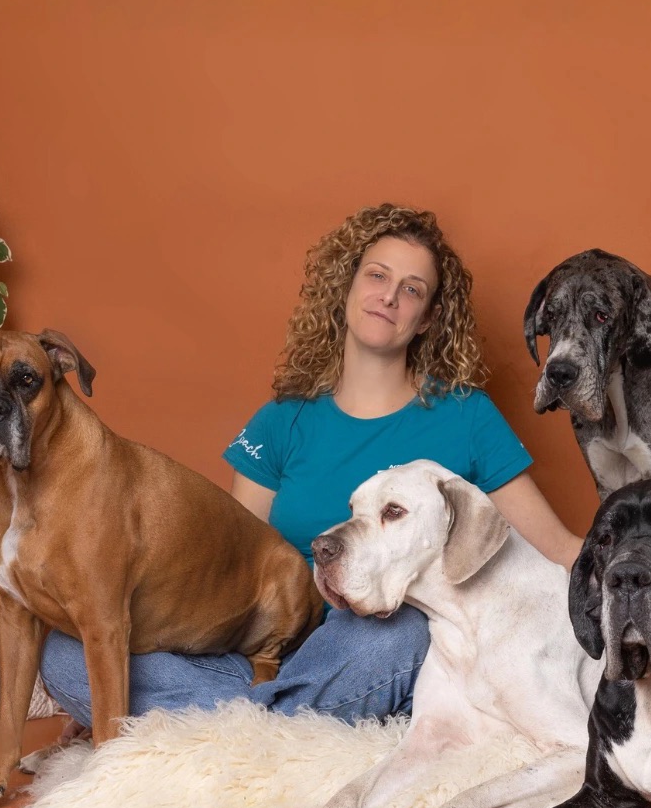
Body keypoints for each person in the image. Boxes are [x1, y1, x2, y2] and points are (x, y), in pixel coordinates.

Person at [41, 203, 582, 724]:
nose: (389, 296)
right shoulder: (282, 420)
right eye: (377, 275)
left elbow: (556, 549)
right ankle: (281, 718)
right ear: (347, 286)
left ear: (427, 319)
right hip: (270, 653)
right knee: (66, 656)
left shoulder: (468, 417)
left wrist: (631, 580)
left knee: (400, 633)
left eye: (412, 289)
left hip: (370, 644)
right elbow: (229, 560)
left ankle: (235, 725)